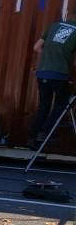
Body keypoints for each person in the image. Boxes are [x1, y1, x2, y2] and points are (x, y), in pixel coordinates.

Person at [28, 14, 76, 148]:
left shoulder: (54, 25)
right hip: (59, 74)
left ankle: (32, 136)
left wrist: (49, 59)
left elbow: (36, 47)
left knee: (44, 105)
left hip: (43, 72)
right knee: (62, 104)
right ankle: (46, 132)